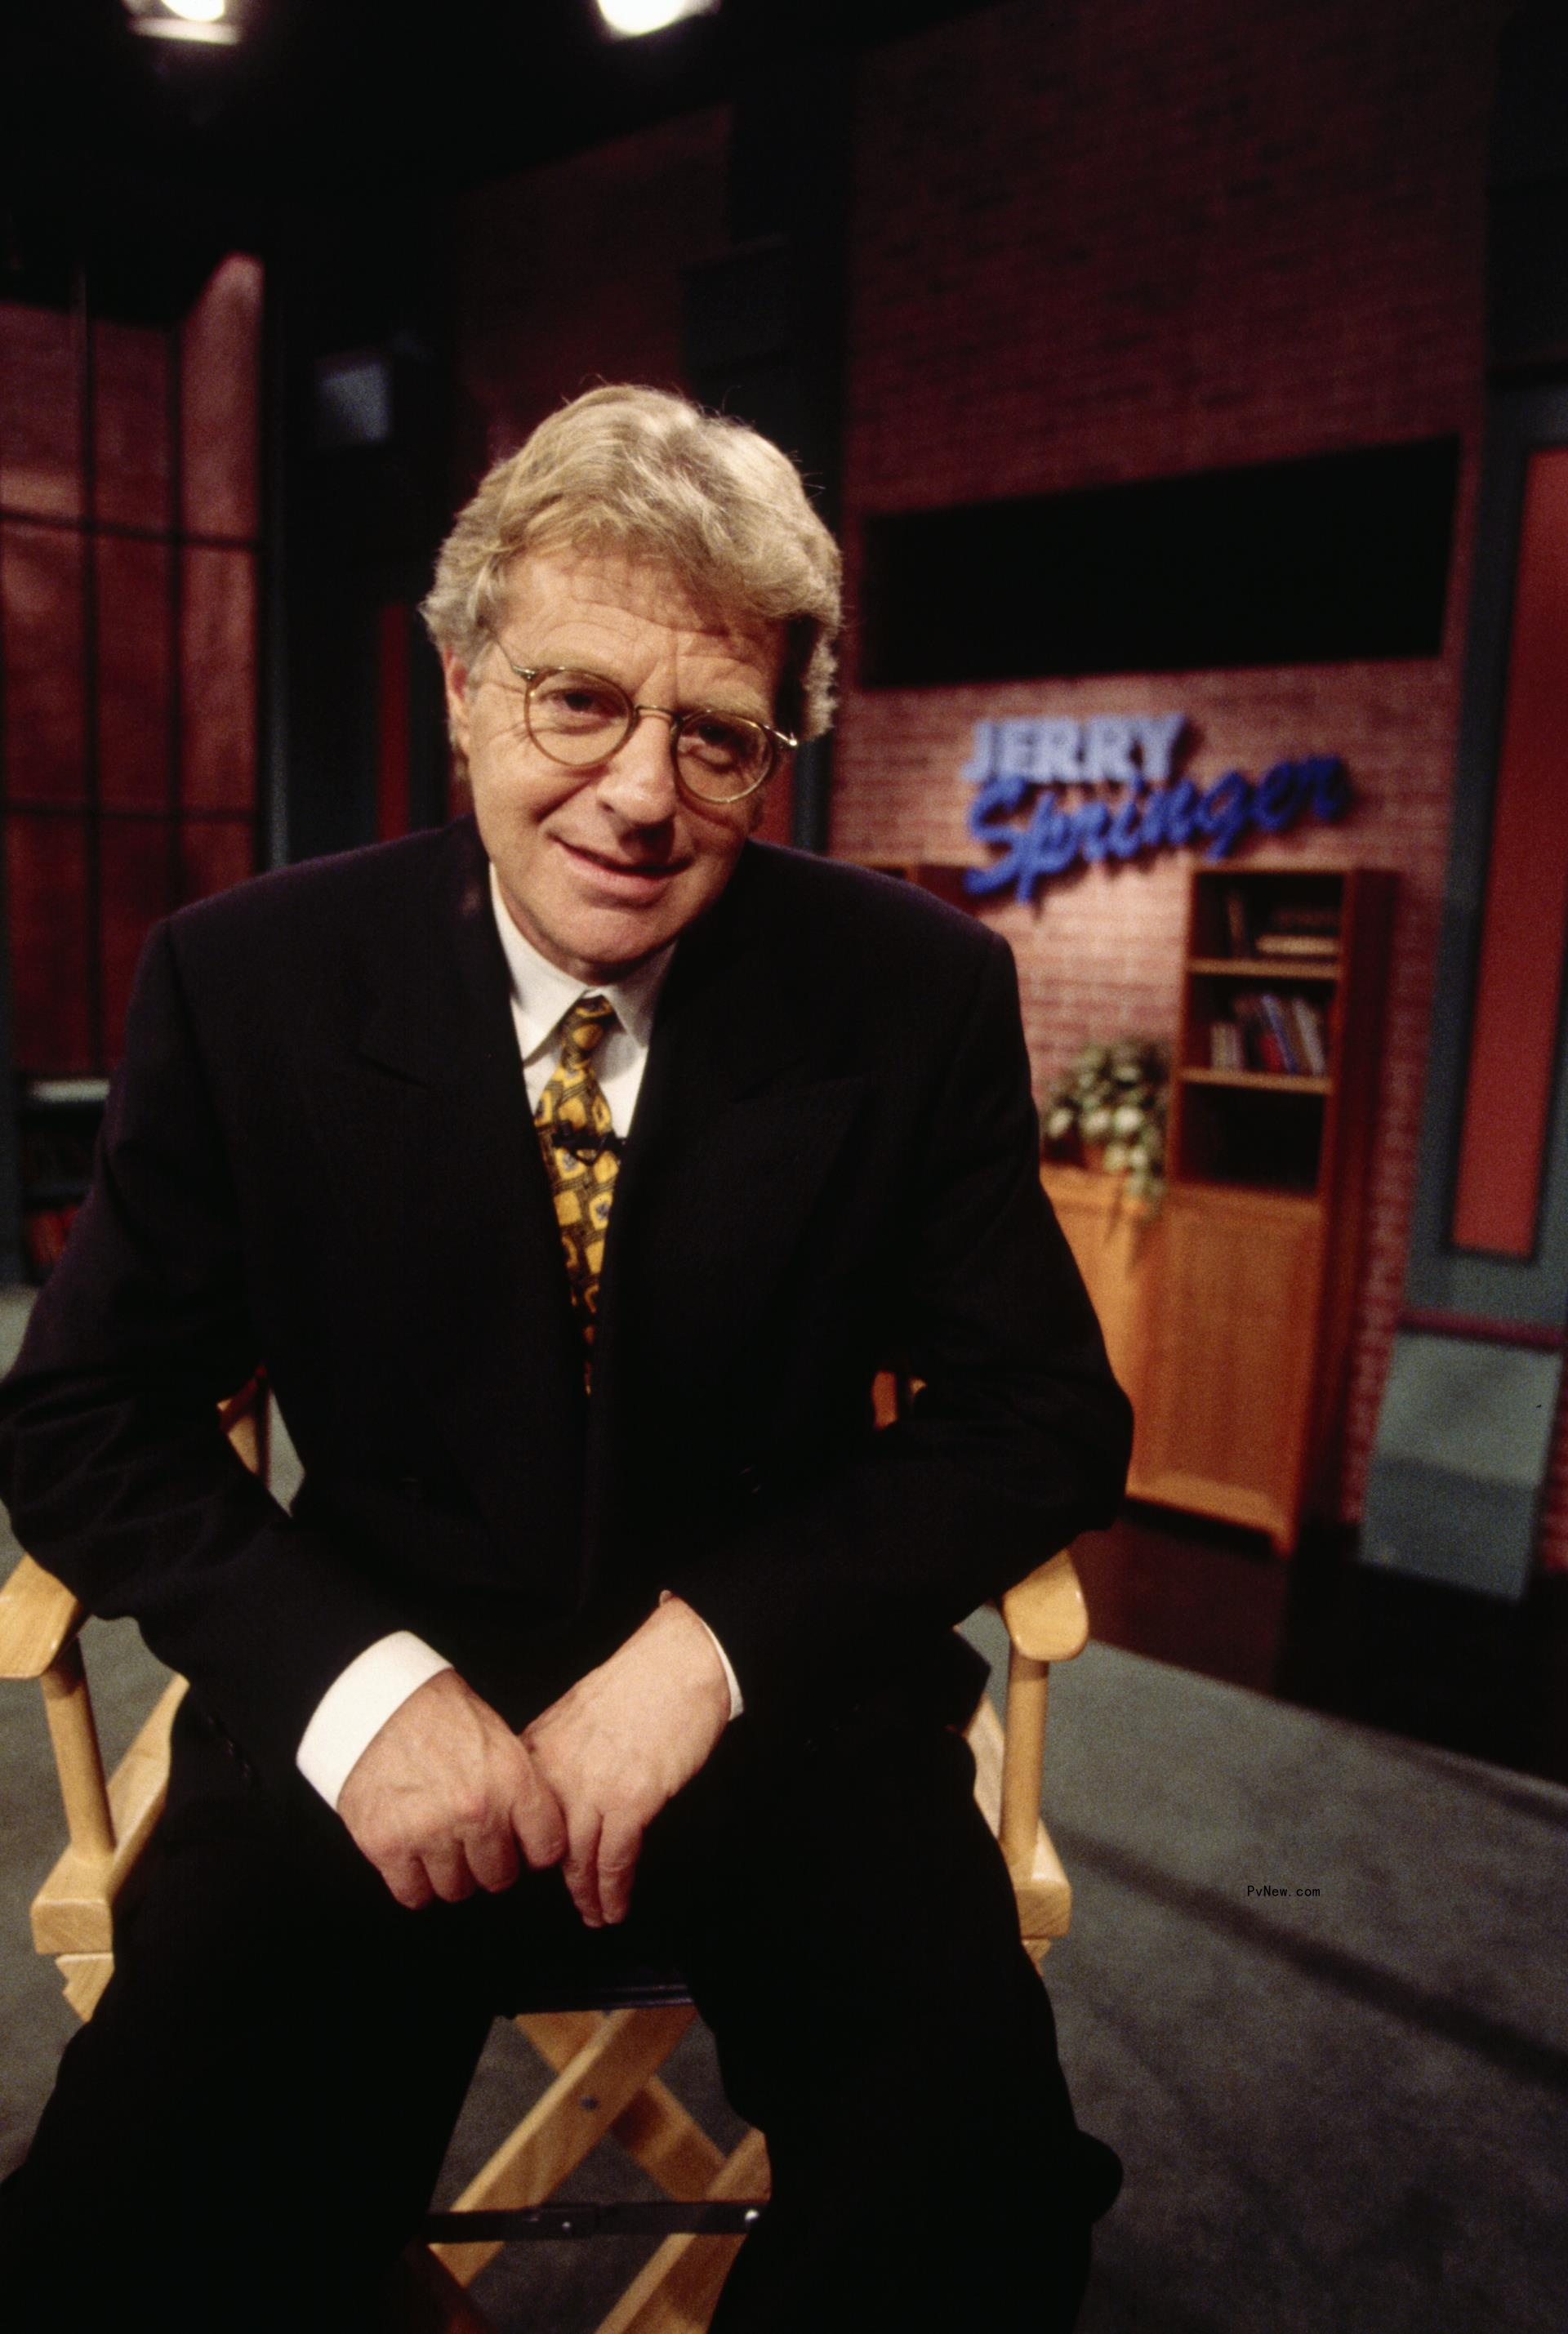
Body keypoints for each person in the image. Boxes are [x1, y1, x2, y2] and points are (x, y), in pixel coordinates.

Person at [0, 385, 1132, 2331]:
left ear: (775, 751)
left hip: (780, 1704)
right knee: (130, 2242)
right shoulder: (246, 977)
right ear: (461, 686)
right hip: (373, 1689)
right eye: (578, 701)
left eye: (717, 734)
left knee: (973, 2207)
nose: (639, 794)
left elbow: (1042, 1413)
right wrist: (356, 1695)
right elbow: (86, 1416)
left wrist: (711, 1652)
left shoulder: (916, 988)